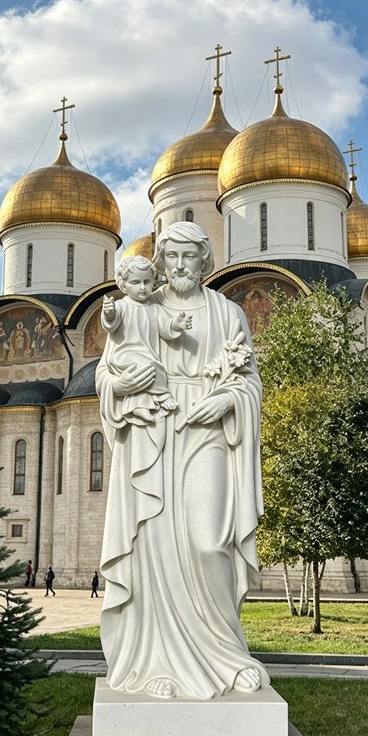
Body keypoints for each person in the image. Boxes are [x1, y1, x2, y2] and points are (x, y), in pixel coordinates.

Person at [97, 222, 269, 700]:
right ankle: (155, 664)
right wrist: (124, 387)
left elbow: (250, 382)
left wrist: (230, 399)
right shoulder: (139, 307)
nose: (178, 266)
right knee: (151, 544)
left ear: (204, 260)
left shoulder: (227, 312)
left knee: (207, 540)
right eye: (170, 257)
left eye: (188, 256)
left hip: (208, 429)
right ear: (158, 262)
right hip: (150, 433)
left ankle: (226, 656)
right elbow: (107, 374)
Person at [101, 255, 192, 424]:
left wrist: (176, 324)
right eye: (136, 283)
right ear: (123, 285)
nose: (142, 288)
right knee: (147, 368)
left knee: (151, 371)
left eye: (147, 282)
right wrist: (109, 312)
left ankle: (139, 407)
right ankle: (162, 397)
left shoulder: (155, 308)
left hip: (146, 355)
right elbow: (111, 324)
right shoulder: (122, 306)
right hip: (124, 355)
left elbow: (165, 326)